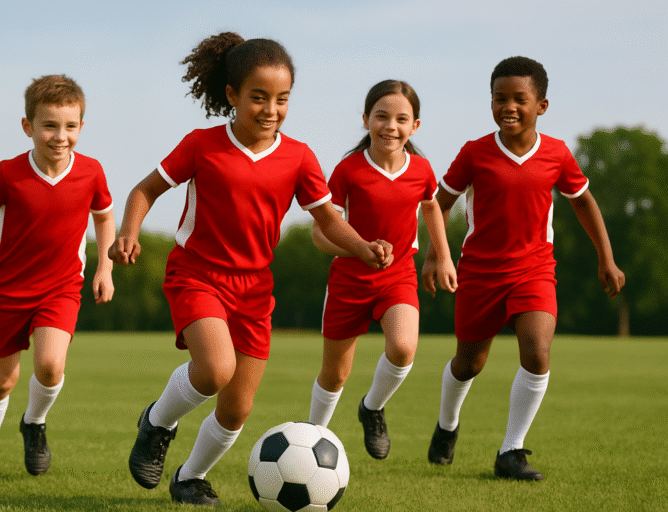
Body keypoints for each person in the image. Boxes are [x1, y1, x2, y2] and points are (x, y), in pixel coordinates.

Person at [108, 32, 392, 507]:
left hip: (255, 290)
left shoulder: (299, 156)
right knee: (215, 368)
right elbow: (144, 191)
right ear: (232, 96)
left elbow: (326, 218)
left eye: (282, 99)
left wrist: (363, 247)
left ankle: (189, 477)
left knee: (237, 407)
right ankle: (157, 422)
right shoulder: (202, 144)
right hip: (196, 274)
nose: (271, 109)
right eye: (258, 97)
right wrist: (130, 232)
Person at [423, 56, 625, 480]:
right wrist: (436, 255)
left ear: (542, 106)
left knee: (537, 352)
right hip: (479, 274)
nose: (508, 107)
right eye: (500, 98)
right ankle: (447, 425)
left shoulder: (556, 153)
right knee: (469, 363)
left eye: (520, 99)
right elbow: (435, 207)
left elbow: (584, 201)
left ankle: (510, 451)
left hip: (534, 270)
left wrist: (605, 257)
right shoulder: (475, 152)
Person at [0, 75, 115, 477]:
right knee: (2, 383)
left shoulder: (92, 172)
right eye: (49, 126)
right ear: (28, 127)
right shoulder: (8, 174)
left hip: (61, 288)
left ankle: (35, 422)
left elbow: (105, 217)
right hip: (7, 292)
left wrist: (105, 267)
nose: (60, 136)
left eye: (70, 126)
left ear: (81, 127)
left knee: (50, 365)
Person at [307, 80, 457, 460]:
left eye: (401, 119)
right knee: (335, 375)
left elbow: (431, 207)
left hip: (399, 276)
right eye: (382, 117)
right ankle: (310, 443)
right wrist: (358, 250)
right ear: (365, 120)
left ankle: (372, 407)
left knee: (404, 347)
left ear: (415, 127)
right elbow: (319, 233)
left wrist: (442, 256)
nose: (391, 126)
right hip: (348, 281)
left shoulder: (421, 169)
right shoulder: (348, 170)